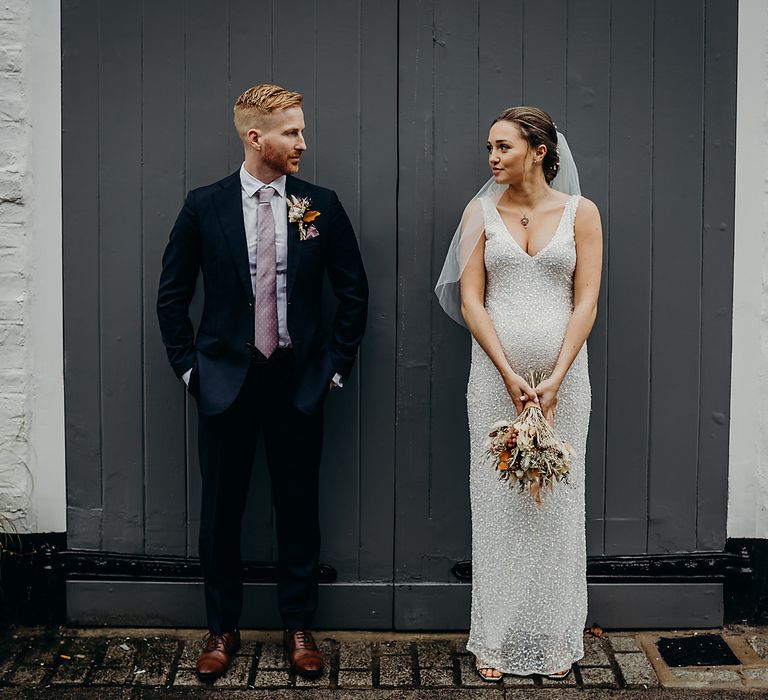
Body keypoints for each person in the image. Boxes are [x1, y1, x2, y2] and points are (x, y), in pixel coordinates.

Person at [156, 83, 368, 682]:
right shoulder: (205, 206)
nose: (303, 141)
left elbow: (353, 293)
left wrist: (334, 368)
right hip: (225, 382)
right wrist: (190, 368)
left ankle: (299, 626)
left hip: (298, 383)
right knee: (222, 511)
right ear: (256, 137)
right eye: (291, 132)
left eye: (301, 130)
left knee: (298, 507)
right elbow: (172, 297)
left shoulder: (320, 204)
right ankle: (221, 630)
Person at [435, 107, 602, 680]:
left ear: (539, 150)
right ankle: (496, 641)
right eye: (489, 148)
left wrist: (555, 378)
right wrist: (507, 373)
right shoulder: (478, 212)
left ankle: (556, 640)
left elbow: (585, 301)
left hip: (564, 381)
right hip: (493, 379)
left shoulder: (582, 214)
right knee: (499, 503)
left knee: (556, 502)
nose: (492, 158)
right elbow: (471, 300)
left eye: (502, 147)